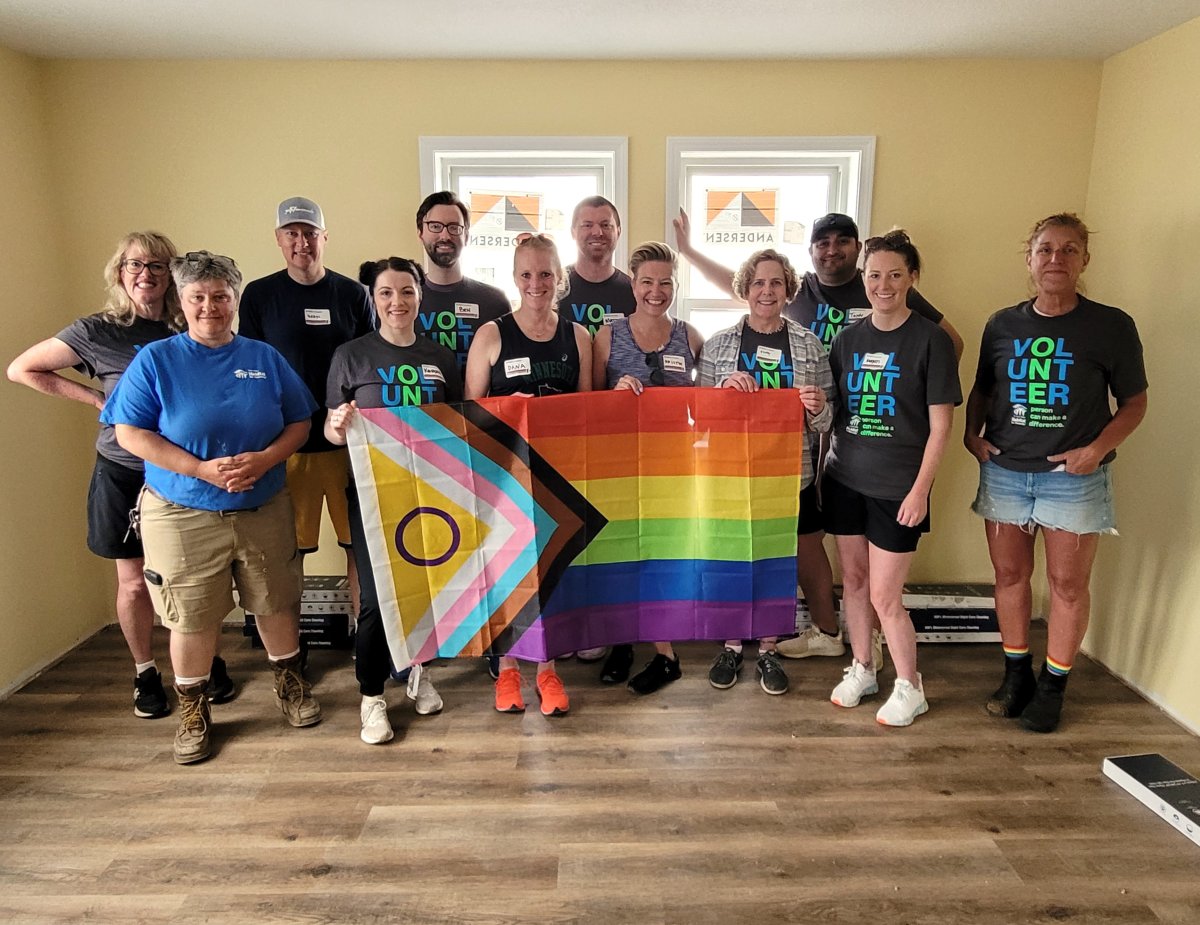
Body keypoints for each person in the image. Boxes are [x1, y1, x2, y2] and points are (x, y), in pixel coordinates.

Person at [101, 251, 321, 765]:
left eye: (220, 296)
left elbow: (300, 422)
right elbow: (130, 432)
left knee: (275, 600)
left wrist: (266, 458)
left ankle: (290, 683)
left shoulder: (264, 358)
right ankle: (193, 711)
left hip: (261, 503)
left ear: (235, 300)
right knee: (192, 616)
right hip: (182, 511)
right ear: (182, 302)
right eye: (198, 297)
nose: (210, 307)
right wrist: (199, 469)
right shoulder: (157, 360)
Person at [7, 231, 235, 718]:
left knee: (192, 576)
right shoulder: (97, 331)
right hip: (124, 469)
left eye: (156, 266)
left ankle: (206, 661)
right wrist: (94, 400)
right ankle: (145, 672)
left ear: (171, 276)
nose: (145, 274)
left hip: (182, 471)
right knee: (133, 581)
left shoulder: (190, 325)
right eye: (134, 265)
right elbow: (22, 369)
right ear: (119, 272)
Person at [965, 212, 1147, 733]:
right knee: (1009, 576)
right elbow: (983, 388)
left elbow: (1134, 403)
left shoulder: (1111, 325)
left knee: (1067, 584)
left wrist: (1097, 449)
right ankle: (1016, 675)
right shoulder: (1003, 324)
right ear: (1029, 258)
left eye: (1068, 250)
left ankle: (1053, 686)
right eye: (1045, 249)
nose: (1055, 259)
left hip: (1074, 478)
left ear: (1084, 259)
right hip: (1004, 472)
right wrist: (971, 435)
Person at [824, 231, 961, 726]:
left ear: (912, 278)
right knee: (855, 584)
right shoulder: (847, 339)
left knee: (886, 595)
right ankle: (863, 666)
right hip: (843, 478)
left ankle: (911, 685)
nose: (883, 284)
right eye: (874, 275)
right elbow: (834, 411)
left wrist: (920, 491)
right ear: (863, 279)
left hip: (899, 489)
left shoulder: (931, 341)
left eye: (894, 275)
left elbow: (941, 426)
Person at [325, 257, 463, 745]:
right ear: (374, 299)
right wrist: (338, 426)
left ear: (419, 297)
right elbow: (331, 429)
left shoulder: (442, 357)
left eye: (406, 292)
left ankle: (418, 673)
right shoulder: (351, 355)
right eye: (386, 293)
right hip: (373, 494)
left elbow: (459, 426)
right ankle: (371, 698)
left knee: (424, 588)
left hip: (432, 492)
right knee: (377, 602)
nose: (397, 302)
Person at [464, 233, 593, 716]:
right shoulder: (492, 335)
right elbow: (470, 411)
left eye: (545, 273)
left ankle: (548, 669)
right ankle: (509, 669)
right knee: (508, 574)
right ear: (514, 279)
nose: (536, 283)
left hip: (558, 477)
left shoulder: (577, 337)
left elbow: (585, 411)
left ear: (559, 278)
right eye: (526, 274)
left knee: (552, 574)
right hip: (502, 476)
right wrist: (506, 409)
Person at [697, 249, 834, 695]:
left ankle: (770, 646)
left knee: (779, 560)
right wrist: (721, 392)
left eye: (776, 283)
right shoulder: (718, 346)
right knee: (734, 556)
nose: (767, 291)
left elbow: (829, 419)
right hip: (733, 473)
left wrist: (817, 408)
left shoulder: (810, 346)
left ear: (789, 290)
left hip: (791, 473)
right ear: (745, 288)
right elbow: (698, 418)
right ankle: (733, 644)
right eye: (758, 283)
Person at [239, 197, 375, 616]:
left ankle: (363, 639)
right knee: (288, 556)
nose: (302, 243)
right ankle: (291, 650)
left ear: (324, 238)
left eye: (310, 233)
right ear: (279, 239)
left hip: (346, 445)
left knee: (360, 550)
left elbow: (372, 360)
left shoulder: (353, 293)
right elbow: (251, 368)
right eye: (292, 234)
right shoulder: (259, 295)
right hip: (286, 448)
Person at [591, 242, 704, 693]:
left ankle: (666, 654)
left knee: (658, 557)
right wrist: (614, 390)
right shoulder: (607, 335)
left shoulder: (691, 337)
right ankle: (623, 640)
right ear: (632, 285)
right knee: (619, 554)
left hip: (671, 467)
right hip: (617, 463)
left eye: (665, 283)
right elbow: (587, 402)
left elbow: (709, 404)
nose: (656, 292)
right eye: (647, 282)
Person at [674, 209, 963, 358]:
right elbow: (738, 282)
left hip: (866, 417)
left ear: (859, 247)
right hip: (811, 409)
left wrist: (929, 394)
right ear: (811, 251)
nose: (832, 250)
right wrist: (688, 252)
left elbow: (953, 341)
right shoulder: (797, 289)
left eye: (843, 242)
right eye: (822, 243)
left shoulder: (882, 287)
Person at [413, 191, 512, 376]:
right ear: (420, 232)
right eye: (435, 226)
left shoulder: (494, 302)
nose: (445, 235)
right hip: (420, 405)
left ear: (466, 235)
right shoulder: (402, 301)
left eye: (454, 227)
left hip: (479, 404)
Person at [560, 196, 636, 338]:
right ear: (573, 232)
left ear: (618, 232)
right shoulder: (554, 288)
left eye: (605, 225)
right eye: (587, 225)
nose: (597, 232)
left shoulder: (634, 292)